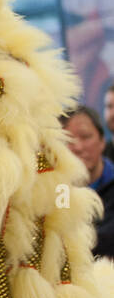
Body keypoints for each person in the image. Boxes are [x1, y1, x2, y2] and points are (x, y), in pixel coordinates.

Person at [62, 105, 114, 259]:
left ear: (102, 142)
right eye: (68, 140)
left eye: (85, 137)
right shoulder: (58, 189)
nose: (77, 147)